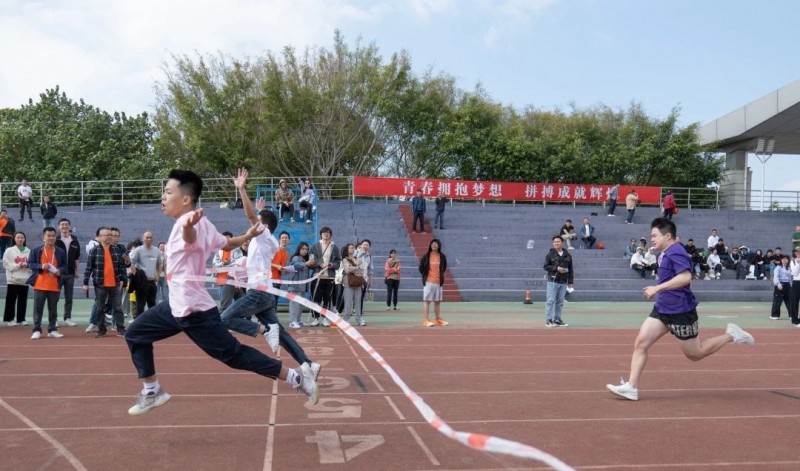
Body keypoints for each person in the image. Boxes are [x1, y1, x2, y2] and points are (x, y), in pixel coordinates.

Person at [123, 169, 317, 416]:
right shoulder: (202, 222)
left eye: (168, 192)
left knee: (234, 355)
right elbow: (226, 243)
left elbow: (189, 237)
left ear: (185, 199)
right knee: (136, 333)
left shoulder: (189, 223)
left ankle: (296, 377)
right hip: (176, 305)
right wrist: (246, 236)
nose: (163, 197)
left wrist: (189, 228)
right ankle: (152, 390)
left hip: (195, 312)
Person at [606, 217, 755, 401]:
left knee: (695, 354)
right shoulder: (667, 251)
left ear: (667, 236)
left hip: (681, 311)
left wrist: (657, 288)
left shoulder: (676, 251)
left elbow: (685, 278)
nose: (651, 239)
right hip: (662, 309)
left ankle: (731, 335)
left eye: (654, 236)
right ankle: (631, 387)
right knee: (641, 343)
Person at [220, 169, 321, 377]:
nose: (252, 223)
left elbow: (250, 216)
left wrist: (241, 190)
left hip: (259, 291)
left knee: (226, 318)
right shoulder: (263, 240)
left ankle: (264, 331)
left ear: (264, 226)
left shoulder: (265, 236)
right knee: (282, 334)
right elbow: (251, 231)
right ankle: (308, 364)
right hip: (264, 292)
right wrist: (260, 210)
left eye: (257, 221)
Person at [82, 227, 127, 337]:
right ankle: (101, 330)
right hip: (100, 284)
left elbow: (122, 267)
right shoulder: (94, 250)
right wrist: (85, 283)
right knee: (100, 308)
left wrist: (123, 280)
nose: (109, 237)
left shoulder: (117, 250)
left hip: (115, 284)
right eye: (107, 235)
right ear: (100, 237)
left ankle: (121, 328)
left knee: (118, 307)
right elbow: (89, 268)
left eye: (110, 235)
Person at [28, 227, 67, 339]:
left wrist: (60, 270)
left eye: (53, 236)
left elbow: (65, 266)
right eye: (48, 236)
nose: (51, 238)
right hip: (40, 284)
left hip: (54, 284)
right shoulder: (36, 250)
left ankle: (52, 330)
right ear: (43, 237)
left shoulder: (60, 251)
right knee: (38, 309)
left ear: (56, 237)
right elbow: (30, 264)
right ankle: (36, 330)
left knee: (53, 309)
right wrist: (41, 266)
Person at [309, 226, 340, 326]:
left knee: (327, 298)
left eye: (328, 233)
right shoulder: (315, 246)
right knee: (316, 298)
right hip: (317, 276)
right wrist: (320, 264)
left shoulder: (334, 247)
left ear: (330, 235)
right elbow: (312, 259)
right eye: (324, 233)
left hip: (330, 277)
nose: (326, 234)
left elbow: (338, 261)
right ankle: (316, 318)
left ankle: (325, 318)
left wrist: (331, 265)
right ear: (321, 234)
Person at [130, 231, 164, 317]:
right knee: (140, 305)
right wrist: (136, 275)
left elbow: (160, 263)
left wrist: (158, 275)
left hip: (152, 282)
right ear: (143, 238)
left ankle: (151, 324)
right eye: (147, 237)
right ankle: (139, 325)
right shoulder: (138, 250)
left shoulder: (156, 250)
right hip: (141, 283)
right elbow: (131, 262)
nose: (149, 239)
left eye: (150, 237)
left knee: (152, 305)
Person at [543, 235, 573, 327]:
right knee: (550, 301)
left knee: (560, 302)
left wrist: (570, 281)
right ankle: (548, 320)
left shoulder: (567, 255)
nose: (556, 243)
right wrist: (556, 268)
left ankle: (557, 319)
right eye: (555, 242)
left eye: (558, 241)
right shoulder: (550, 254)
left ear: (562, 243)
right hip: (553, 281)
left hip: (563, 281)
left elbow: (571, 269)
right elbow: (545, 266)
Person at [55, 218, 80, 327]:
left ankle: (67, 318)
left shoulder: (74, 240)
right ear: (58, 227)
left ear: (69, 226)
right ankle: (54, 318)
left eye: (66, 224)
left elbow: (76, 257)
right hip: (57, 273)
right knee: (54, 297)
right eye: (62, 224)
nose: (64, 226)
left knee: (69, 297)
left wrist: (77, 270)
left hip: (70, 273)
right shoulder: (55, 239)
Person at [3, 231, 32, 326]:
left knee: (22, 300)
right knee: (10, 300)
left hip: (24, 280)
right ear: (14, 239)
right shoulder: (9, 251)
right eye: (18, 237)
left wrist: (27, 265)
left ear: (24, 239)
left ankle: (21, 319)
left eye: (22, 238)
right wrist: (18, 265)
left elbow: (32, 264)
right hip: (12, 279)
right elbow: (6, 264)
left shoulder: (29, 251)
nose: (20, 239)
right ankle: (9, 319)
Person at [212, 232, 245, 311]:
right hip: (223, 281)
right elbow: (214, 266)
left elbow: (238, 264)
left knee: (243, 304)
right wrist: (224, 263)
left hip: (236, 280)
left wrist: (225, 264)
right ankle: (222, 321)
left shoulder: (237, 251)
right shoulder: (218, 252)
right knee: (225, 306)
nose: (226, 241)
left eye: (228, 239)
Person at [419, 238, 448, 327]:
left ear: (439, 246)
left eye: (436, 244)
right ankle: (426, 320)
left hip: (438, 282)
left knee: (437, 301)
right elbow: (421, 268)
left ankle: (437, 319)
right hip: (429, 282)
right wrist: (426, 275)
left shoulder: (442, 256)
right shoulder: (426, 256)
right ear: (430, 245)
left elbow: (444, 267)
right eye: (432, 244)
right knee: (427, 301)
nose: (434, 245)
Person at [288, 242, 313, 328]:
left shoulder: (304, 259)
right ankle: (293, 321)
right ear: (299, 249)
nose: (305, 250)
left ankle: (298, 320)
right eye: (303, 249)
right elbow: (297, 265)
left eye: (306, 249)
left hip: (303, 286)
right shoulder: (296, 258)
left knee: (300, 304)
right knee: (294, 304)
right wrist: (307, 263)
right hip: (295, 286)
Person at [340, 243, 367, 326]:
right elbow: (348, 269)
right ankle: (346, 319)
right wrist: (356, 268)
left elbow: (362, 267)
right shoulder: (345, 259)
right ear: (347, 250)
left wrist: (355, 268)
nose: (352, 249)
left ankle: (359, 319)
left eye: (353, 248)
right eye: (351, 248)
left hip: (358, 283)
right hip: (348, 283)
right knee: (348, 303)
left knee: (358, 303)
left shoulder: (357, 258)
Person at [355, 239, 374, 316]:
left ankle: (359, 313)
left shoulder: (369, 255)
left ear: (369, 247)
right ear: (361, 245)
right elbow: (354, 262)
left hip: (364, 278)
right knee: (349, 296)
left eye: (367, 245)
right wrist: (360, 254)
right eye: (364, 245)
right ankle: (339, 311)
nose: (365, 246)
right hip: (354, 277)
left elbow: (370, 269)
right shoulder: (355, 252)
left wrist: (370, 280)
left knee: (361, 296)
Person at [771, 255, 792, 321]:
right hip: (780, 284)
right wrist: (778, 284)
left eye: (786, 259)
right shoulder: (778, 267)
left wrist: (792, 286)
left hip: (788, 285)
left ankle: (791, 315)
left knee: (790, 301)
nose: (785, 260)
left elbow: (791, 278)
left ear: (788, 260)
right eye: (783, 259)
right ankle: (775, 315)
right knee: (777, 301)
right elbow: (776, 276)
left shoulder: (789, 268)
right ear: (781, 260)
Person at [790, 247, 800, 328]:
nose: (798, 253)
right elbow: (794, 273)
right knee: (795, 302)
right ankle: (795, 320)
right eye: (796, 252)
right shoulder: (793, 261)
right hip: (796, 282)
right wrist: (798, 264)